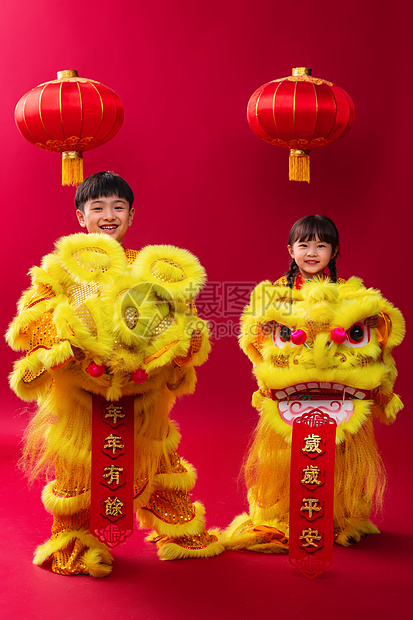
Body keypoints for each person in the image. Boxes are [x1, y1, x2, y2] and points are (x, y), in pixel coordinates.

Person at [7, 171, 224, 577]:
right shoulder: (59, 268)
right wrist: (67, 338)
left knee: (157, 462)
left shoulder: (153, 268)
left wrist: (179, 346)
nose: (108, 215)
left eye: (117, 208)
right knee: (77, 473)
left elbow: (179, 319)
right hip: (82, 393)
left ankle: (181, 530)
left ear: (131, 215)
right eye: (98, 208)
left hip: (140, 394)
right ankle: (72, 540)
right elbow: (32, 320)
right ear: (80, 216)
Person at [223, 214, 405, 554]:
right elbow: (253, 342)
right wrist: (268, 379)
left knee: (340, 459)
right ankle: (283, 515)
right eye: (304, 244)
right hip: (290, 398)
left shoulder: (352, 294)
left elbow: (380, 347)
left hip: (340, 399)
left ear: (333, 252)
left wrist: (383, 389)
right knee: (283, 459)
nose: (312, 251)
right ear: (290, 249)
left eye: (321, 245)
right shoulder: (273, 296)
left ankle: (336, 517)